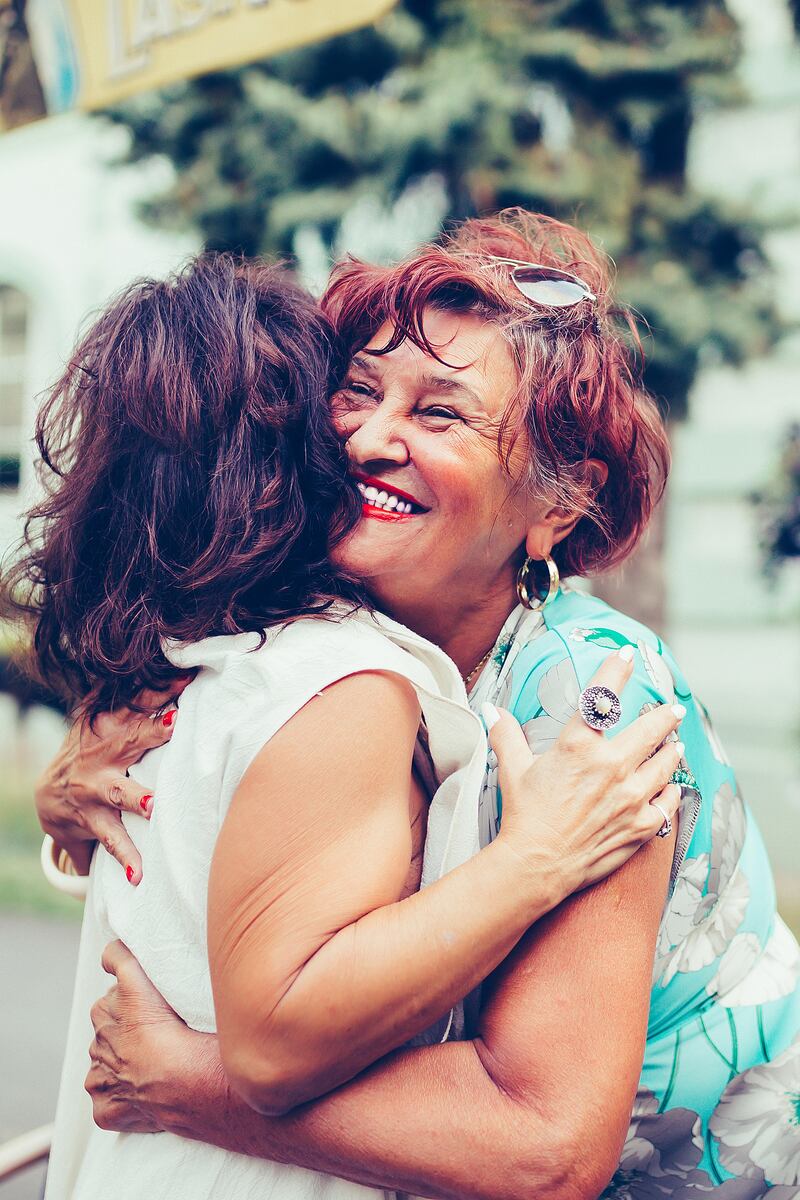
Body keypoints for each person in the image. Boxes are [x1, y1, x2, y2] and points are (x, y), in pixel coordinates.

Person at [36, 212, 800, 1198]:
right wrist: (79, 794)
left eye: (440, 414)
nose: (367, 437)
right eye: (358, 391)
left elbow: (546, 1146)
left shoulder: (587, 694)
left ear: (558, 503)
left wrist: (191, 1085)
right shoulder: (327, 630)